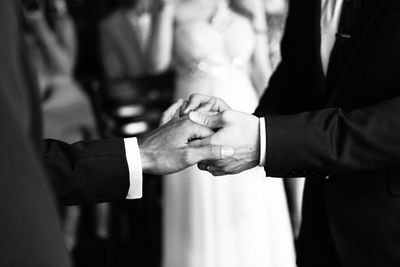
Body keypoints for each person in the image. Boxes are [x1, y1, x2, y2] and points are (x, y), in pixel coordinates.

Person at [0, 0, 231, 266]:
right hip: (56, 127)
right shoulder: (113, 23)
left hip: (73, 125)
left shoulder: (54, 22)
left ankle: (87, 226)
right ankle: (85, 229)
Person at [172, 0, 400, 266]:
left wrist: (265, 140)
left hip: (389, 225)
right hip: (320, 226)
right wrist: (237, 126)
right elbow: (294, 78)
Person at [147, 1, 296, 266]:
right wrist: (165, 9)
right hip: (195, 121)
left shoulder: (248, 6)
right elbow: (154, 64)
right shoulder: (176, 7)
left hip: (246, 114)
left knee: (250, 205)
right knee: (201, 209)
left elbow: (262, 71)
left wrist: (275, 127)